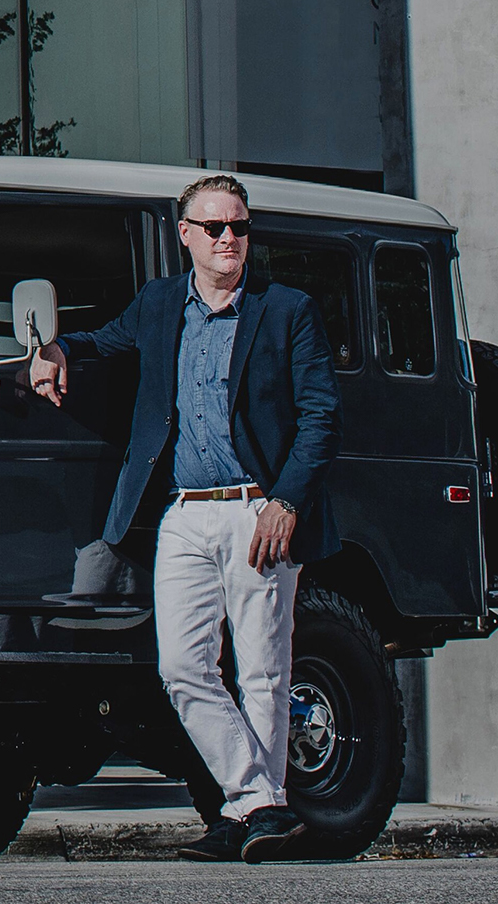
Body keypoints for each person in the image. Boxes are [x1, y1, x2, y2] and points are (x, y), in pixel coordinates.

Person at [30, 174, 342, 864]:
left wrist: (285, 501)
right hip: (182, 513)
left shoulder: (286, 310)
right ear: (186, 236)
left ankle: (245, 812)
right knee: (181, 667)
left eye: (239, 227)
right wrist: (54, 351)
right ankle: (260, 803)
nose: (230, 240)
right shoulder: (160, 303)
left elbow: (322, 414)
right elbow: (103, 342)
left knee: (261, 670)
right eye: (215, 228)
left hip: (258, 510)